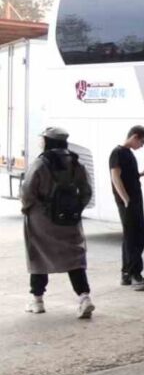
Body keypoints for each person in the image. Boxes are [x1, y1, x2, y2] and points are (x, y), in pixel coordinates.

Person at [22, 127, 95, 317]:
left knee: (38, 255)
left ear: (48, 142)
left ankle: (37, 300)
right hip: (70, 219)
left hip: (42, 219)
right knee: (75, 257)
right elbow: (86, 191)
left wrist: (28, 209)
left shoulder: (40, 163)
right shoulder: (76, 163)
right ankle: (84, 297)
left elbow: (28, 191)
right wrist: (76, 209)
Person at [110, 126, 144, 290]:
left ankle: (127, 273)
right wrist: (125, 199)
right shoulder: (117, 153)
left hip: (135, 198)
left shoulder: (129, 154)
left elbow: (129, 176)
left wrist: (142, 173)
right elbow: (115, 177)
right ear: (134, 137)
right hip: (127, 201)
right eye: (141, 142)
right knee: (133, 236)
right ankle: (134, 273)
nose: (141, 146)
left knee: (136, 235)